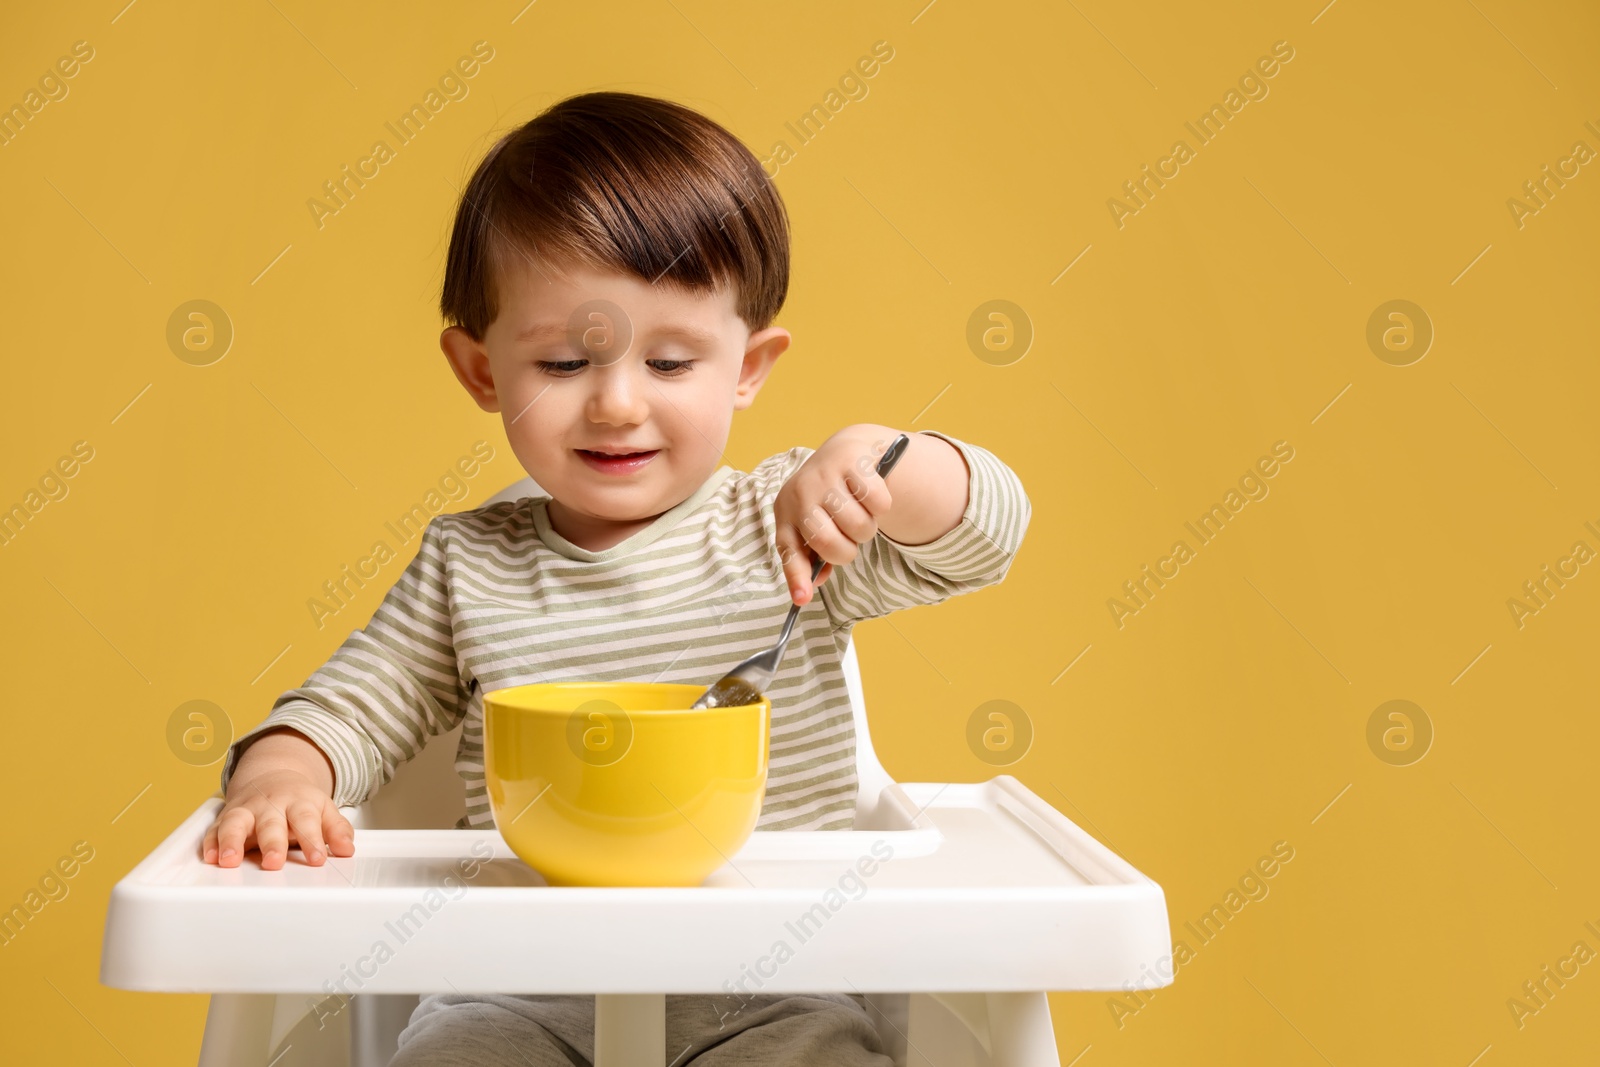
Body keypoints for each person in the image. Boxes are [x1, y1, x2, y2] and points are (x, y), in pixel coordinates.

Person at [204, 89, 1031, 1066]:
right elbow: (349, 708)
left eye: (673, 360)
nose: (617, 402)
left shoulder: (786, 523)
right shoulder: (467, 566)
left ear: (748, 367)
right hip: (515, 983)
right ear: (480, 370)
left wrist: (884, 457)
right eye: (562, 360)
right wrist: (279, 779)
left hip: (772, 983)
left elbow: (987, 533)